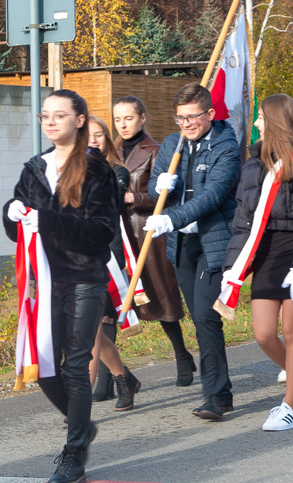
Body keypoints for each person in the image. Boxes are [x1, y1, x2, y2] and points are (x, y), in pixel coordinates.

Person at [3, 89, 119, 483]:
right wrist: (11, 213)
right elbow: (17, 228)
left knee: (74, 364)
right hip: (43, 280)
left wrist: (48, 220)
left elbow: (101, 232)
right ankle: (82, 425)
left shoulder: (96, 170)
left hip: (84, 277)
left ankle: (74, 454)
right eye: (45, 116)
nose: (51, 122)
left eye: (60, 115)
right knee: (43, 366)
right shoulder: (35, 168)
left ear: (80, 120)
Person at [224, 94, 293, 430]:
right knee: (264, 332)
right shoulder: (254, 164)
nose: (256, 123)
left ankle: (290, 405)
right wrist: (233, 266)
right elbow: (244, 221)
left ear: (275, 122)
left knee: (291, 329)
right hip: (267, 249)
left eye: (260, 118)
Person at [145, 83, 241, 419]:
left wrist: (170, 218)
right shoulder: (172, 144)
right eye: (180, 118)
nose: (186, 124)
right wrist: (157, 186)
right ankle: (221, 391)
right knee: (201, 322)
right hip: (182, 244)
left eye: (192, 117)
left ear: (210, 114)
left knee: (205, 315)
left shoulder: (227, 147)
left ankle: (215, 396)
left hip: (214, 243)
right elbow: (154, 182)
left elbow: (212, 195)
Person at [113, 96, 196, 389]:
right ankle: (110, 375)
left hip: (148, 233)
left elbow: (166, 194)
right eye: (118, 119)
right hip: (116, 236)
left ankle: (181, 354)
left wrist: (135, 197)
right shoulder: (109, 152)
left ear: (142, 118)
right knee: (111, 303)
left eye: (129, 118)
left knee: (161, 298)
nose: (123, 124)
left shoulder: (156, 151)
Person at [85, 116, 142, 410]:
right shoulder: (68, 171)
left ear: (107, 139)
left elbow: (112, 203)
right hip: (76, 258)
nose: (93, 140)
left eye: (99, 135)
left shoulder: (116, 171)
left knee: (91, 331)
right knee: (89, 331)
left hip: (107, 257)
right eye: (88, 135)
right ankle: (124, 378)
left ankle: (79, 407)